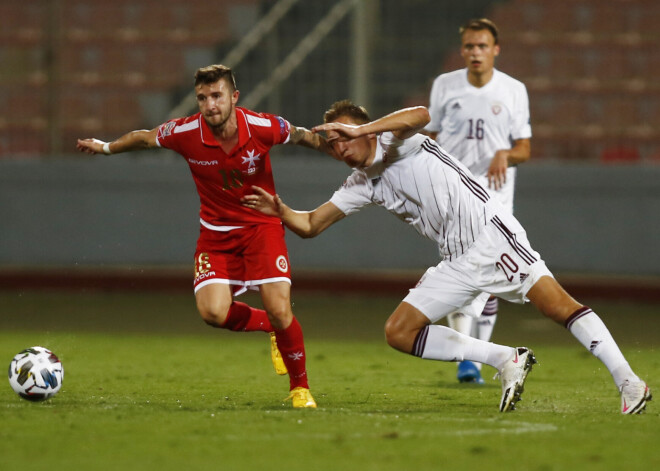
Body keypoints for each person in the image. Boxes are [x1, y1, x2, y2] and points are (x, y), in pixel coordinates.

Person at [241, 100, 651, 414]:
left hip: (492, 237)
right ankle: (506, 359)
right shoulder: (361, 183)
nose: (340, 146)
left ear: (368, 131)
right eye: (334, 142)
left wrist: (362, 126)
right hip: (454, 261)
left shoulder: (396, 140)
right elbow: (311, 225)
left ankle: (629, 382)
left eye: (346, 135)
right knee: (399, 331)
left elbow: (420, 113)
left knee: (559, 307)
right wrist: (281, 211)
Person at [76, 64, 330, 408]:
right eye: (202, 98)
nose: (210, 105)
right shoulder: (185, 132)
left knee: (280, 308)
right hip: (216, 236)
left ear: (234, 97)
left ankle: (300, 388)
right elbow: (144, 137)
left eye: (217, 96)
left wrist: (341, 152)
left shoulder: (261, 126)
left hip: (261, 227)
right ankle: (270, 328)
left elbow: (302, 135)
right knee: (213, 313)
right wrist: (106, 148)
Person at [424, 18, 532, 383]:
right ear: (462, 50)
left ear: (495, 50)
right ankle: (468, 359)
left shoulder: (514, 90)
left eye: (482, 46)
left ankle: (470, 359)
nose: (475, 53)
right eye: (469, 46)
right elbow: (432, 136)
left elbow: (525, 148)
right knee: (459, 270)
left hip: (496, 197)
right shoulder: (445, 85)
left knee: (489, 275)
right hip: (452, 194)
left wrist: (506, 154)